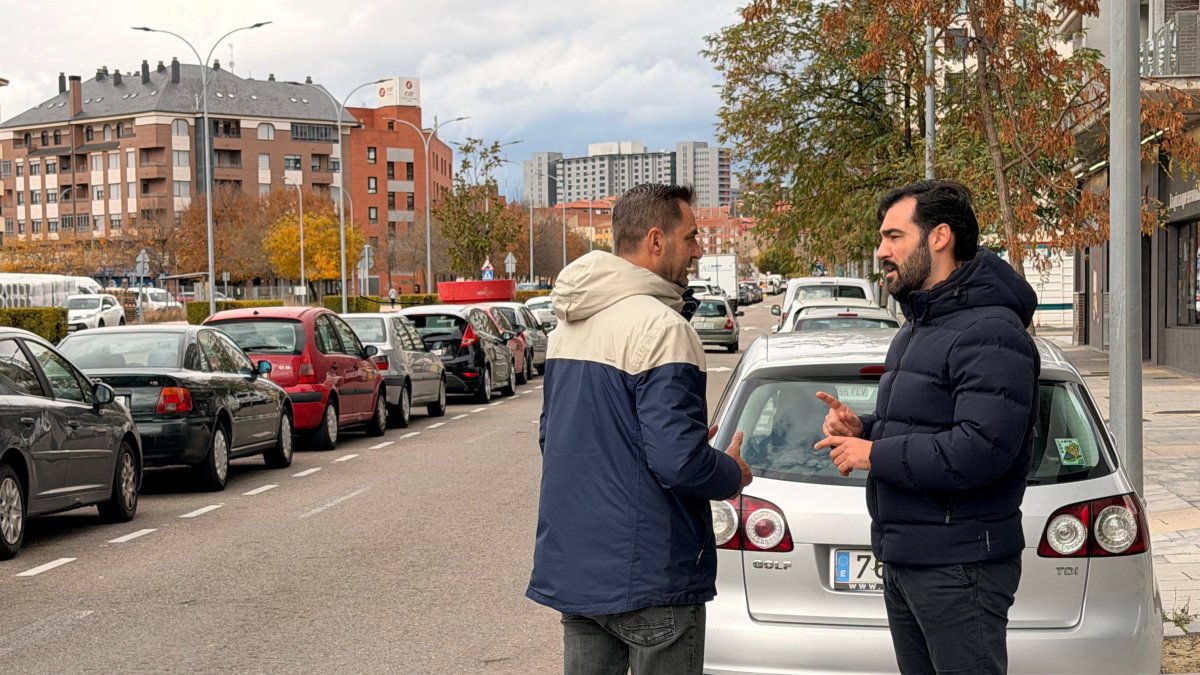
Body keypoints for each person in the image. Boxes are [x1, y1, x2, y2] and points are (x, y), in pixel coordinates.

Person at [815, 180, 1040, 675]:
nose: (881, 252)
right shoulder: (918, 327)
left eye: (894, 236)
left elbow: (980, 449)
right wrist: (865, 429)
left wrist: (872, 454)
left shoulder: (991, 332)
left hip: (960, 567)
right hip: (909, 558)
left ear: (939, 237)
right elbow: (922, 425)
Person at [528, 183, 753, 675]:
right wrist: (731, 472)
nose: (697, 250)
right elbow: (679, 461)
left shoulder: (567, 327)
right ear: (656, 240)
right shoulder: (663, 328)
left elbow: (554, 438)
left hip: (579, 572)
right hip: (653, 576)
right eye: (690, 237)